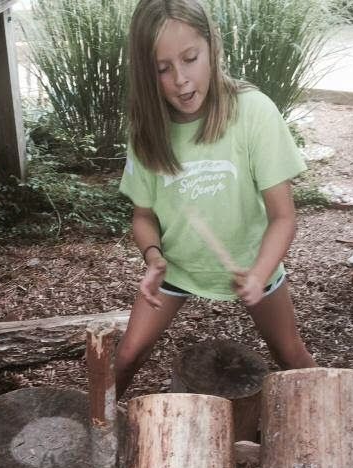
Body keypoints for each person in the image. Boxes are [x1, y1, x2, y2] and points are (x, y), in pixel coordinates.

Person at [116, 0, 316, 396]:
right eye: (162, 69)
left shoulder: (253, 112)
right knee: (125, 357)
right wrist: (153, 257)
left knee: (291, 354)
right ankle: (92, 430)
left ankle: (333, 416)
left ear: (212, 48)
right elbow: (144, 215)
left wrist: (259, 273)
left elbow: (283, 217)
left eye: (190, 59)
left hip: (251, 263)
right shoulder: (148, 131)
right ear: (147, 72)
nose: (180, 80)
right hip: (178, 269)